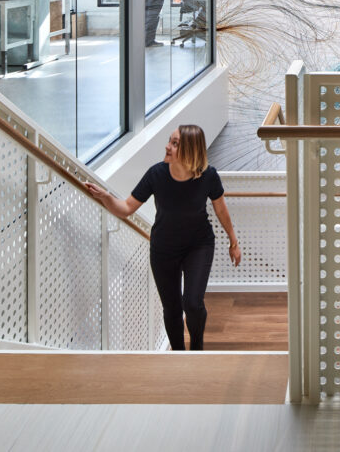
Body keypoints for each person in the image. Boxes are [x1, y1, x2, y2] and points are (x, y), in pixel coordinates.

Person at [84, 125, 240, 351]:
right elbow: (126, 207)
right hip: (164, 249)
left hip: (198, 245)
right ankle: (178, 354)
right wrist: (105, 197)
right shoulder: (156, 174)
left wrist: (233, 242)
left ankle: (197, 348)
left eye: (175, 143)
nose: (167, 146)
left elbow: (221, 210)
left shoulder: (208, 176)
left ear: (190, 149)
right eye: (170, 141)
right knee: (172, 308)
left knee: (193, 303)